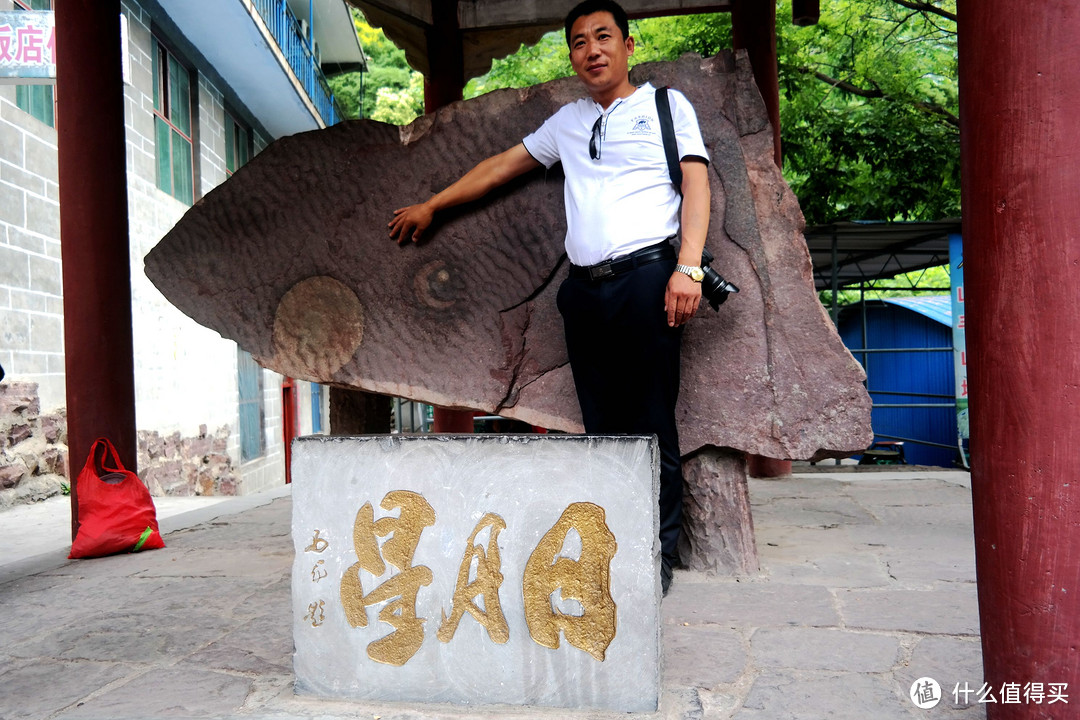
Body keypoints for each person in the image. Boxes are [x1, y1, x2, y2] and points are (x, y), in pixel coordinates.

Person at [389, 0, 711, 595]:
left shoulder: (665, 107)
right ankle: (608, 547)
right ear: (572, 55)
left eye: (604, 36)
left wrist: (687, 268)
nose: (592, 49)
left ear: (628, 45)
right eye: (580, 42)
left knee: (651, 423)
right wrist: (434, 203)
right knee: (600, 429)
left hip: (649, 279)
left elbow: (695, 181)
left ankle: (655, 556)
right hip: (585, 292)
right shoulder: (567, 121)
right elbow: (502, 166)